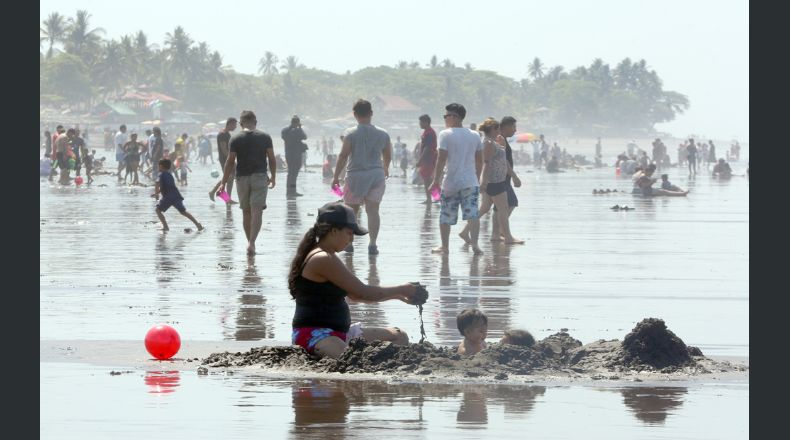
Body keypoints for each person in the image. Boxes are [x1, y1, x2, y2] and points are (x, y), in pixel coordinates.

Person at [289, 201, 421, 359]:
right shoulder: (322, 258)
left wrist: (399, 296)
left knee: (399, 337)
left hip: (340, 333)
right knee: (351, 360)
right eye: (350, 233)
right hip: (315, 334)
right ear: (333, 230)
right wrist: (402, 289)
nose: (351, 239)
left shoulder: (329, 255)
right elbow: (362, 292)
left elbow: (355, 295)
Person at [332, 99, 392, 255]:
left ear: (354, 114)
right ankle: (372, 244)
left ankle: (349, 244)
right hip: (376, 174)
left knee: (352, 211)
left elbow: (343, 155)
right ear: (371, 113)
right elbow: (387, 153)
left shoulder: (350, 133)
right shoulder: (383, 133)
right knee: (373, 211)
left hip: (355, 175)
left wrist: (335, 176)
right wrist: (385, 167)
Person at [219, 110, 276, 256]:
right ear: (255, 122)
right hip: (260, 177)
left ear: (241, 123)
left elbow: (230, 162)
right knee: (257, 211)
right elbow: (271, 158)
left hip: (242, 178)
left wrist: (223, 183)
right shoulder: (265, 137)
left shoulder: (235, 139)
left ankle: (249, 242)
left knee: (246, 211)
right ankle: (252, 243)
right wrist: (274, 176)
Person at [430, 103, 484, 255]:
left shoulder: (445, 134)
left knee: (446, 215)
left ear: (455, 117)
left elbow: (441, 159)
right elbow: (479, 160)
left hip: (451, 182)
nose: (445, 119)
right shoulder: (474, 135)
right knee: (472, 215)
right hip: (470, 181)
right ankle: (475, 245)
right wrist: (477, 177)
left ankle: (445, 247)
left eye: (446, 116)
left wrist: (435, 181)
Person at [459, 118, 523, 244]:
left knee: (485, 208)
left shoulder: (492, 142)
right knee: (503, 208)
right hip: (495, 181)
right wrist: (483, 181)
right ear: (493, 129)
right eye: (498, 129)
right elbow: (486, 163)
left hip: (494, 180)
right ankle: (508, 237)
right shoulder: (488, 143)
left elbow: (502, 161)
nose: (499, 131)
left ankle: (465, 232)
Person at [491, 116, 522, 241]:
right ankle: (501, 231)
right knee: (511, 203)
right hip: (502, 178)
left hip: (501, 178)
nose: (515, 130)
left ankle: (496, 234)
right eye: (513, 127)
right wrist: (515, 176)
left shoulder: (501, 139)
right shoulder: (500, 139)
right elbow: (504, 161)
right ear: (506, 127)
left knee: (498, 207)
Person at [151, 159, 204, 232]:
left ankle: (165, 226)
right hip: (176, 195)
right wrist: (157, 192)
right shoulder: (170, 175)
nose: (158, 167)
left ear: (161, 166)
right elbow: (167, 186)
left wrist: (156, 194)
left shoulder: (160, 174)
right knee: (183, 212)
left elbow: (157, 184)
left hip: (168, 197)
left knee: (158, 210)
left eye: (158, 166)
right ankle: (198, 224)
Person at [209, 117, 238, 203]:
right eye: (235, 125)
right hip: (225, 159)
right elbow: (223, 149)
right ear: (230, 124)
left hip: (228, 158)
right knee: (228, 177)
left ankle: (227, 198)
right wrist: (231, 159)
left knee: (230, 178)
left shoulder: (227, 134)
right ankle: (215, 192)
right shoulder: (222, 134)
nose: (235, 127)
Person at [282, 115, 308, 197]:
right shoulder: (297, 131)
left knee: (290, 173)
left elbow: (284, 137)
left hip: (288, 154)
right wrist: (300, 128)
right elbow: (305, 137)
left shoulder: (285, 130)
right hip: (296, 154)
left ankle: (289, 191)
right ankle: (292, 191)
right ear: (297, 123)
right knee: (294, 174)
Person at [416, 114, 438, 204]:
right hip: (428, 159)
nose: (420, 124)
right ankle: (435, 198)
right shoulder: (427, 132)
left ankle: (432, 198)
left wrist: (420, 160)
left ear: (426, 122)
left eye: (421, 122)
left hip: (429, 160)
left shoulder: (429, 132)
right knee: (428, 179)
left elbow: (427, 148)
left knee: (427, 179)